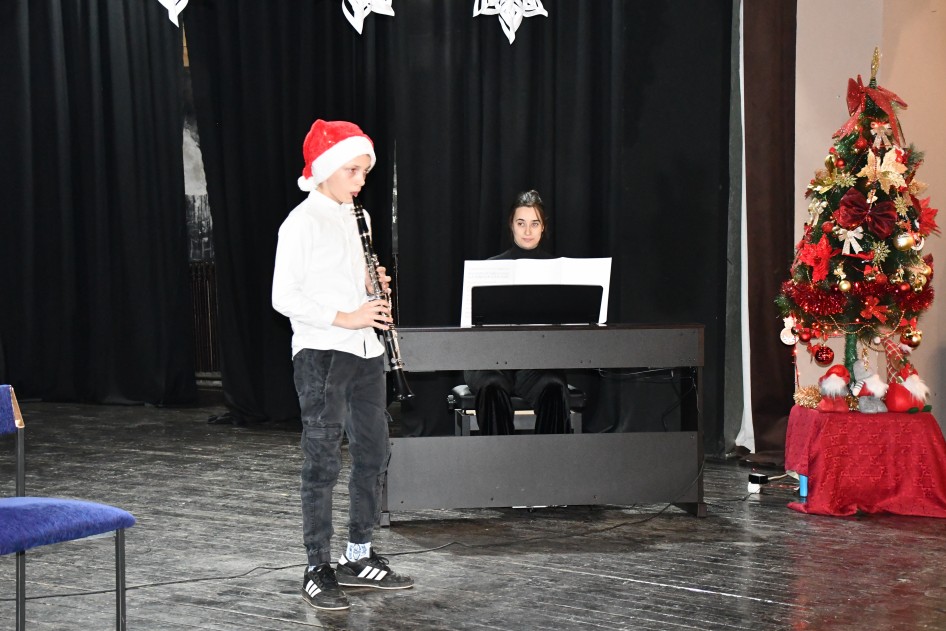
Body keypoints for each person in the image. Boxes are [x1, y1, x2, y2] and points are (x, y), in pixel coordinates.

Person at [272, 119, 413, 611]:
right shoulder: (300, 223)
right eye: (352, 170)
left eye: (364, 172)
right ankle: (317, 566)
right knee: (323, 461)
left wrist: (372, 285)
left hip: (366, 351)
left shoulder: (361, 216)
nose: (360, 181)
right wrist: (348, 315)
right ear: (325, 169)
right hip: (322, 354)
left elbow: (349, 280)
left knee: (373, 454)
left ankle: (357, 555)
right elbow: (283, 296)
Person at [463, 190, 571, 435]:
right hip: (490, 361)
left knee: (554, 387)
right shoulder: (488, 268)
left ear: (543, 228)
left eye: (535, 224)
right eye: (521, 223)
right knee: (492, 386)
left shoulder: (559, 270)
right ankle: (499, 458)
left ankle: (550, 458)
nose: (527, 231)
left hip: (536, 362)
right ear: (511, 225)